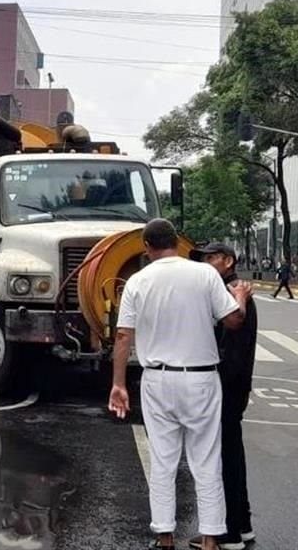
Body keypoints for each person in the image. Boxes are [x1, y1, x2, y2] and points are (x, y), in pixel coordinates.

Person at [108, 219, 251, 550]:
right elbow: (233, 320)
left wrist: (118, 385)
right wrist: (240, 298)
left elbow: (123, 335)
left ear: (147, 247)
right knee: (206, 460)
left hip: (158, 380)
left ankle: (164, 536)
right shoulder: (203, 274)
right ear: (177, 243)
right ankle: (212, 539)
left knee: (163, 461)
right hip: (201, 379)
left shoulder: (137, 281)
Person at [189, 243, 258, 550]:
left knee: (220, 458)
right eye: (201, 259)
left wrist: (214, 386)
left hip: (224, 386)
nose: (204, 263)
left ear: (228, 261)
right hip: (233, 385)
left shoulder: (230, 293)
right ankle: (241, 525)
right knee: (231, 455)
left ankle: (229, 532)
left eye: (210, 258)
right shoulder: (231, 290)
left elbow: (230, 349)